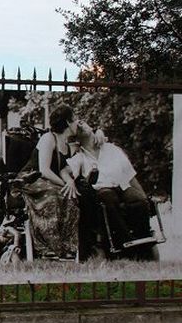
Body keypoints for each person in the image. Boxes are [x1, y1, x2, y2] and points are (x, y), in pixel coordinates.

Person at [62, 121, 155, 260]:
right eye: (79, 128)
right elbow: (64, 170)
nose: (82, 125)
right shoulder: (80, 156)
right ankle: (126, 242)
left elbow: (130, 175)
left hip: (121, 185)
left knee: (140, 201)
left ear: (92, 127)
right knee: (108, 198)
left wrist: (144, 196)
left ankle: (144, 241)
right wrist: (70, 181)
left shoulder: (112, 149)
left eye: (83, 123)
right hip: (102, 190)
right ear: (77, 139)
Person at [16, 105, 80, 260]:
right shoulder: (48, 138)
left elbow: (63, 167)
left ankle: (66, 247)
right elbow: (44, 169)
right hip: (32, 178)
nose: (77, 122)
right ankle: (46, 248)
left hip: (50, 180)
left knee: (72, 198)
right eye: (75, 119)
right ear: (67, 122)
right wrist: (64, 185)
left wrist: (70, 182)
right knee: (53, 196)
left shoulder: (65, 142)